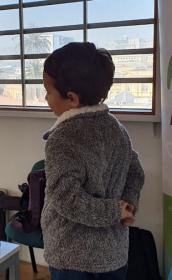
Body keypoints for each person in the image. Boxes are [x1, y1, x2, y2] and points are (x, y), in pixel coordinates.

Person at [40, 42, 145, 280]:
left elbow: (67, 201)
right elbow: (136, 172)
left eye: (48, 91)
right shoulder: (116, 128)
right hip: (114, 253)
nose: (46, 97)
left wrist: (116, 212)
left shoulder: (63, 138)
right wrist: (127, 206)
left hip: (73, 258)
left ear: (72, 98)